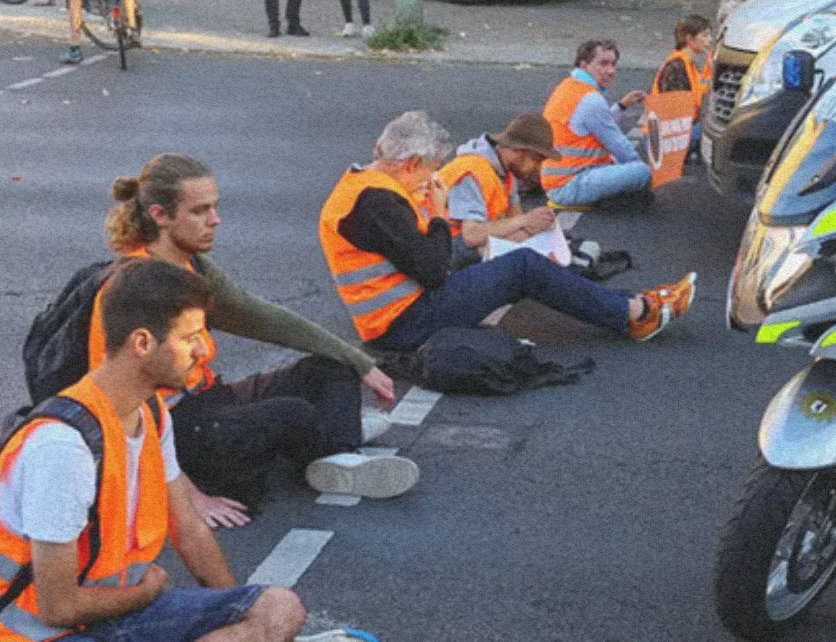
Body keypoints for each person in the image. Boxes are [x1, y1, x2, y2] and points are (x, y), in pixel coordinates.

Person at [97, 153, 417, 527]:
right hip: (177, 428)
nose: (215, 220)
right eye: (200, 211)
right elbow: (115, 405)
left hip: (209, 399)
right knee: (292, 415)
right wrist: (186, 496)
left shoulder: (192, 265)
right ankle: (337, 444)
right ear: (160, 215)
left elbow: (261, 316)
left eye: (214, 207)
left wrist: (360, 363)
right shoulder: (132, 290)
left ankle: (335, 452)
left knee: (331, 370)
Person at [0, 258, 306, 642]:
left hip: (112, 615)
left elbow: (189, 528)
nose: (204, 350)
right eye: (189, 337)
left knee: (278, 608)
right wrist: (144, 593)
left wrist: (232, 609)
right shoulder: (62, 449)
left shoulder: (150, 412)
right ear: (142, 343)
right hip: (41, 634)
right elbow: (57, 608)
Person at [318, 111, 696, 355]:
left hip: (402, 310)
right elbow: (433, 268)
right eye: (430, 169)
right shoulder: (378, 202)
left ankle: (627, 303)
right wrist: (435, 212)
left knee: (520, 265)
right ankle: (633, 313)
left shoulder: (362, 185)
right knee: (523, 268)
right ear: (411, 163)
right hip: (401, 324)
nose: (433, 178)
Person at [541, 39, 653, 211]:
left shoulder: (569, 87)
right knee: (642, 171)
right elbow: (617, 143)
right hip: (570, 185)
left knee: (620, 164)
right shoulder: (590, 99)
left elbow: (595, 124)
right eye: (603, 64)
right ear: (584, 65)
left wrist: (622, 106)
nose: (610, 71)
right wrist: (641, 174)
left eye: (613, 64)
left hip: (558, 178)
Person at [437, 112, 561, 260]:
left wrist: (536, 223)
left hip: (464, 237)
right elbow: (471, 236)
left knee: (524, 237)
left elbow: (516, 220)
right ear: (517, 151)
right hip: (442, 245)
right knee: (509, 245)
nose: (538, 168)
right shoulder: (473, 172)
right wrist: (527, 221)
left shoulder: (506, 170)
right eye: (535, 159)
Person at [651, 14, 714, 149]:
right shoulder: (676, 67)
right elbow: (676, 114)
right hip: (664, 137)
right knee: (718, 131)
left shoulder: (689, 65)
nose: (710, 40)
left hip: (673, 131)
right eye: (705, 35)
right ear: (690, 40)